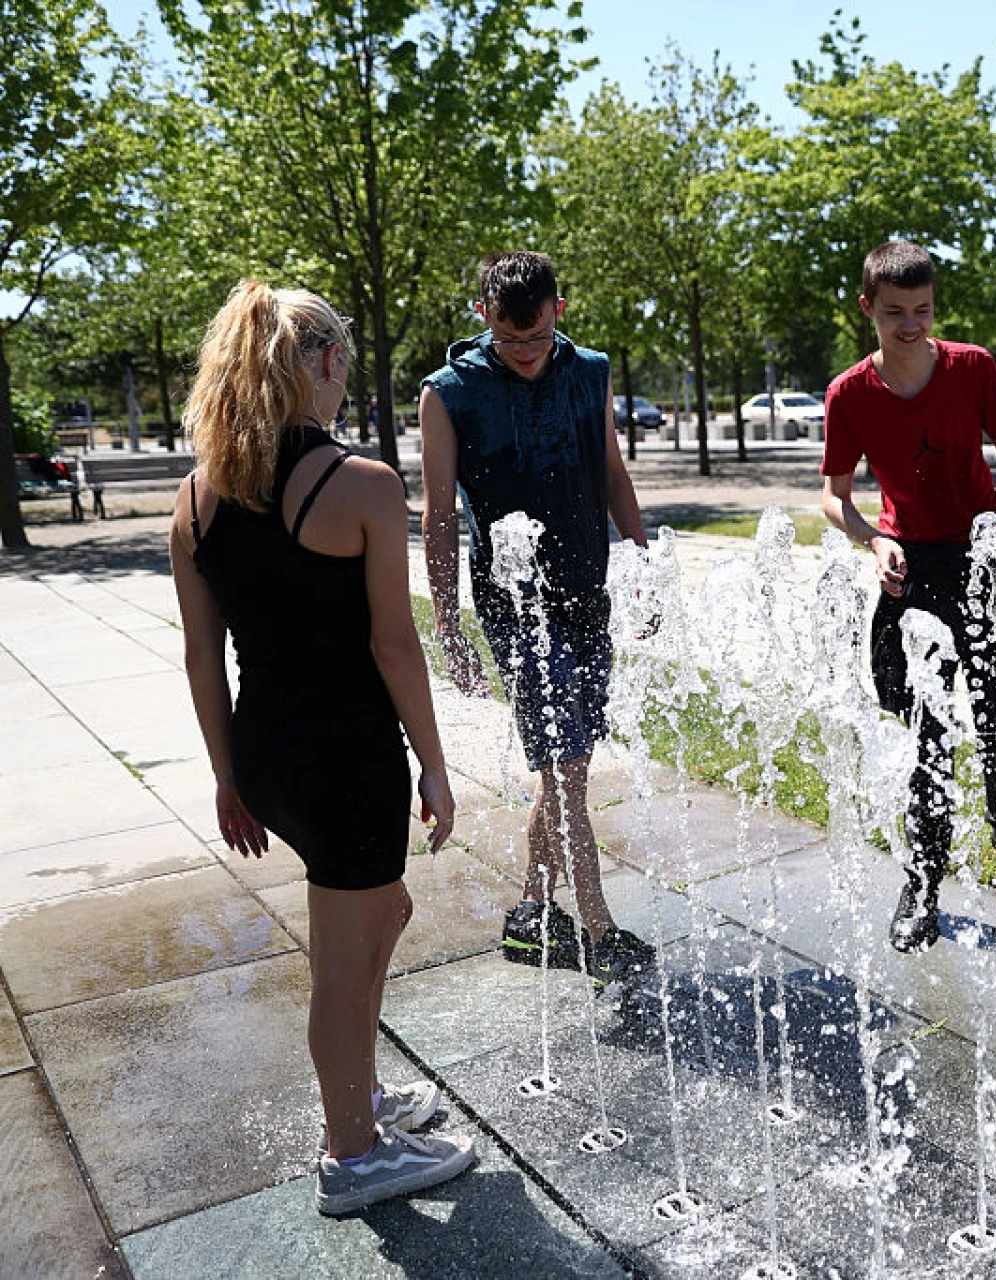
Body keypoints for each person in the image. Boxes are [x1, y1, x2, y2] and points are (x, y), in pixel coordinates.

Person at [170, 280, 472, 1214]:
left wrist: (227, 776)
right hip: (346, 762)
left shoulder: (196, 500)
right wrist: (435, 765)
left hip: (267, 755)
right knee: (344, 966)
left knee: (384, 915)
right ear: (330, 362)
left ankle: (360, 1092)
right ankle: (353, 1156)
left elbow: (201, 657)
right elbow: (395, 645)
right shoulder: (364, 485)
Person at [420, 251, 654, 981]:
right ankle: (599, 929)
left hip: (587, 595)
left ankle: (530, 914)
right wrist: (449, 626)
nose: (524, 352)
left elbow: (613, 473)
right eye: (508, 338)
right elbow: (437, 518)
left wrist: (642, 571)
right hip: (516, 608)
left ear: (559, 309)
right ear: (482, 315)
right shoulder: (448, 394)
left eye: (538, 335)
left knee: (561, 771)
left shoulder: (591, 372)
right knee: (569, 771)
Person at [821, 239, 996, 953]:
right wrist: (873, 539)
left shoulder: (972, 367)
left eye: (922, 310)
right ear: (868, 308)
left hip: (986, 561)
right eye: (895, 312)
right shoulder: (849, 394)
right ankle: (923, 877)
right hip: (913, 568)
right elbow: (834, 498)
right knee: (928, 728)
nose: (911, 325)